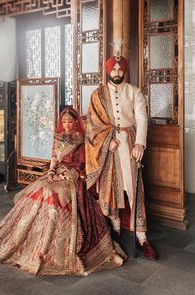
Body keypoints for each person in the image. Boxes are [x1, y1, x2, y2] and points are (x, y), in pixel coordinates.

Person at [0, 107, 126, 275]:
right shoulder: (57, 137)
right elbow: (55, 157)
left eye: (70, 121)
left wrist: (69, 174)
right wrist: (51, 171)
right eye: (64, 122)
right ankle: (32, 235)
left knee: (52, 193)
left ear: (76, 122)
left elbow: (83, 162)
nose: (67, 125)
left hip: (73, 176)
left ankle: (56, 241)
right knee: (42, 188)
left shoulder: (81, 139)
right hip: (56, 172)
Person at [85, 52, 158, 260]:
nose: (117, 72)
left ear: (124, 70)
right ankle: (115, 228)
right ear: (108, 70)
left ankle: (142, 237)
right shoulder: (98, 95)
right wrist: (108, 141)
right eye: (113, 69)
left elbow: (142, 119)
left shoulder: (134, 92)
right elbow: (92, 125)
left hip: (129, 146)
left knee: (134, 190)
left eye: (120, 69)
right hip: (110, 150)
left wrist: (139, 143)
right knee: (111, 190)